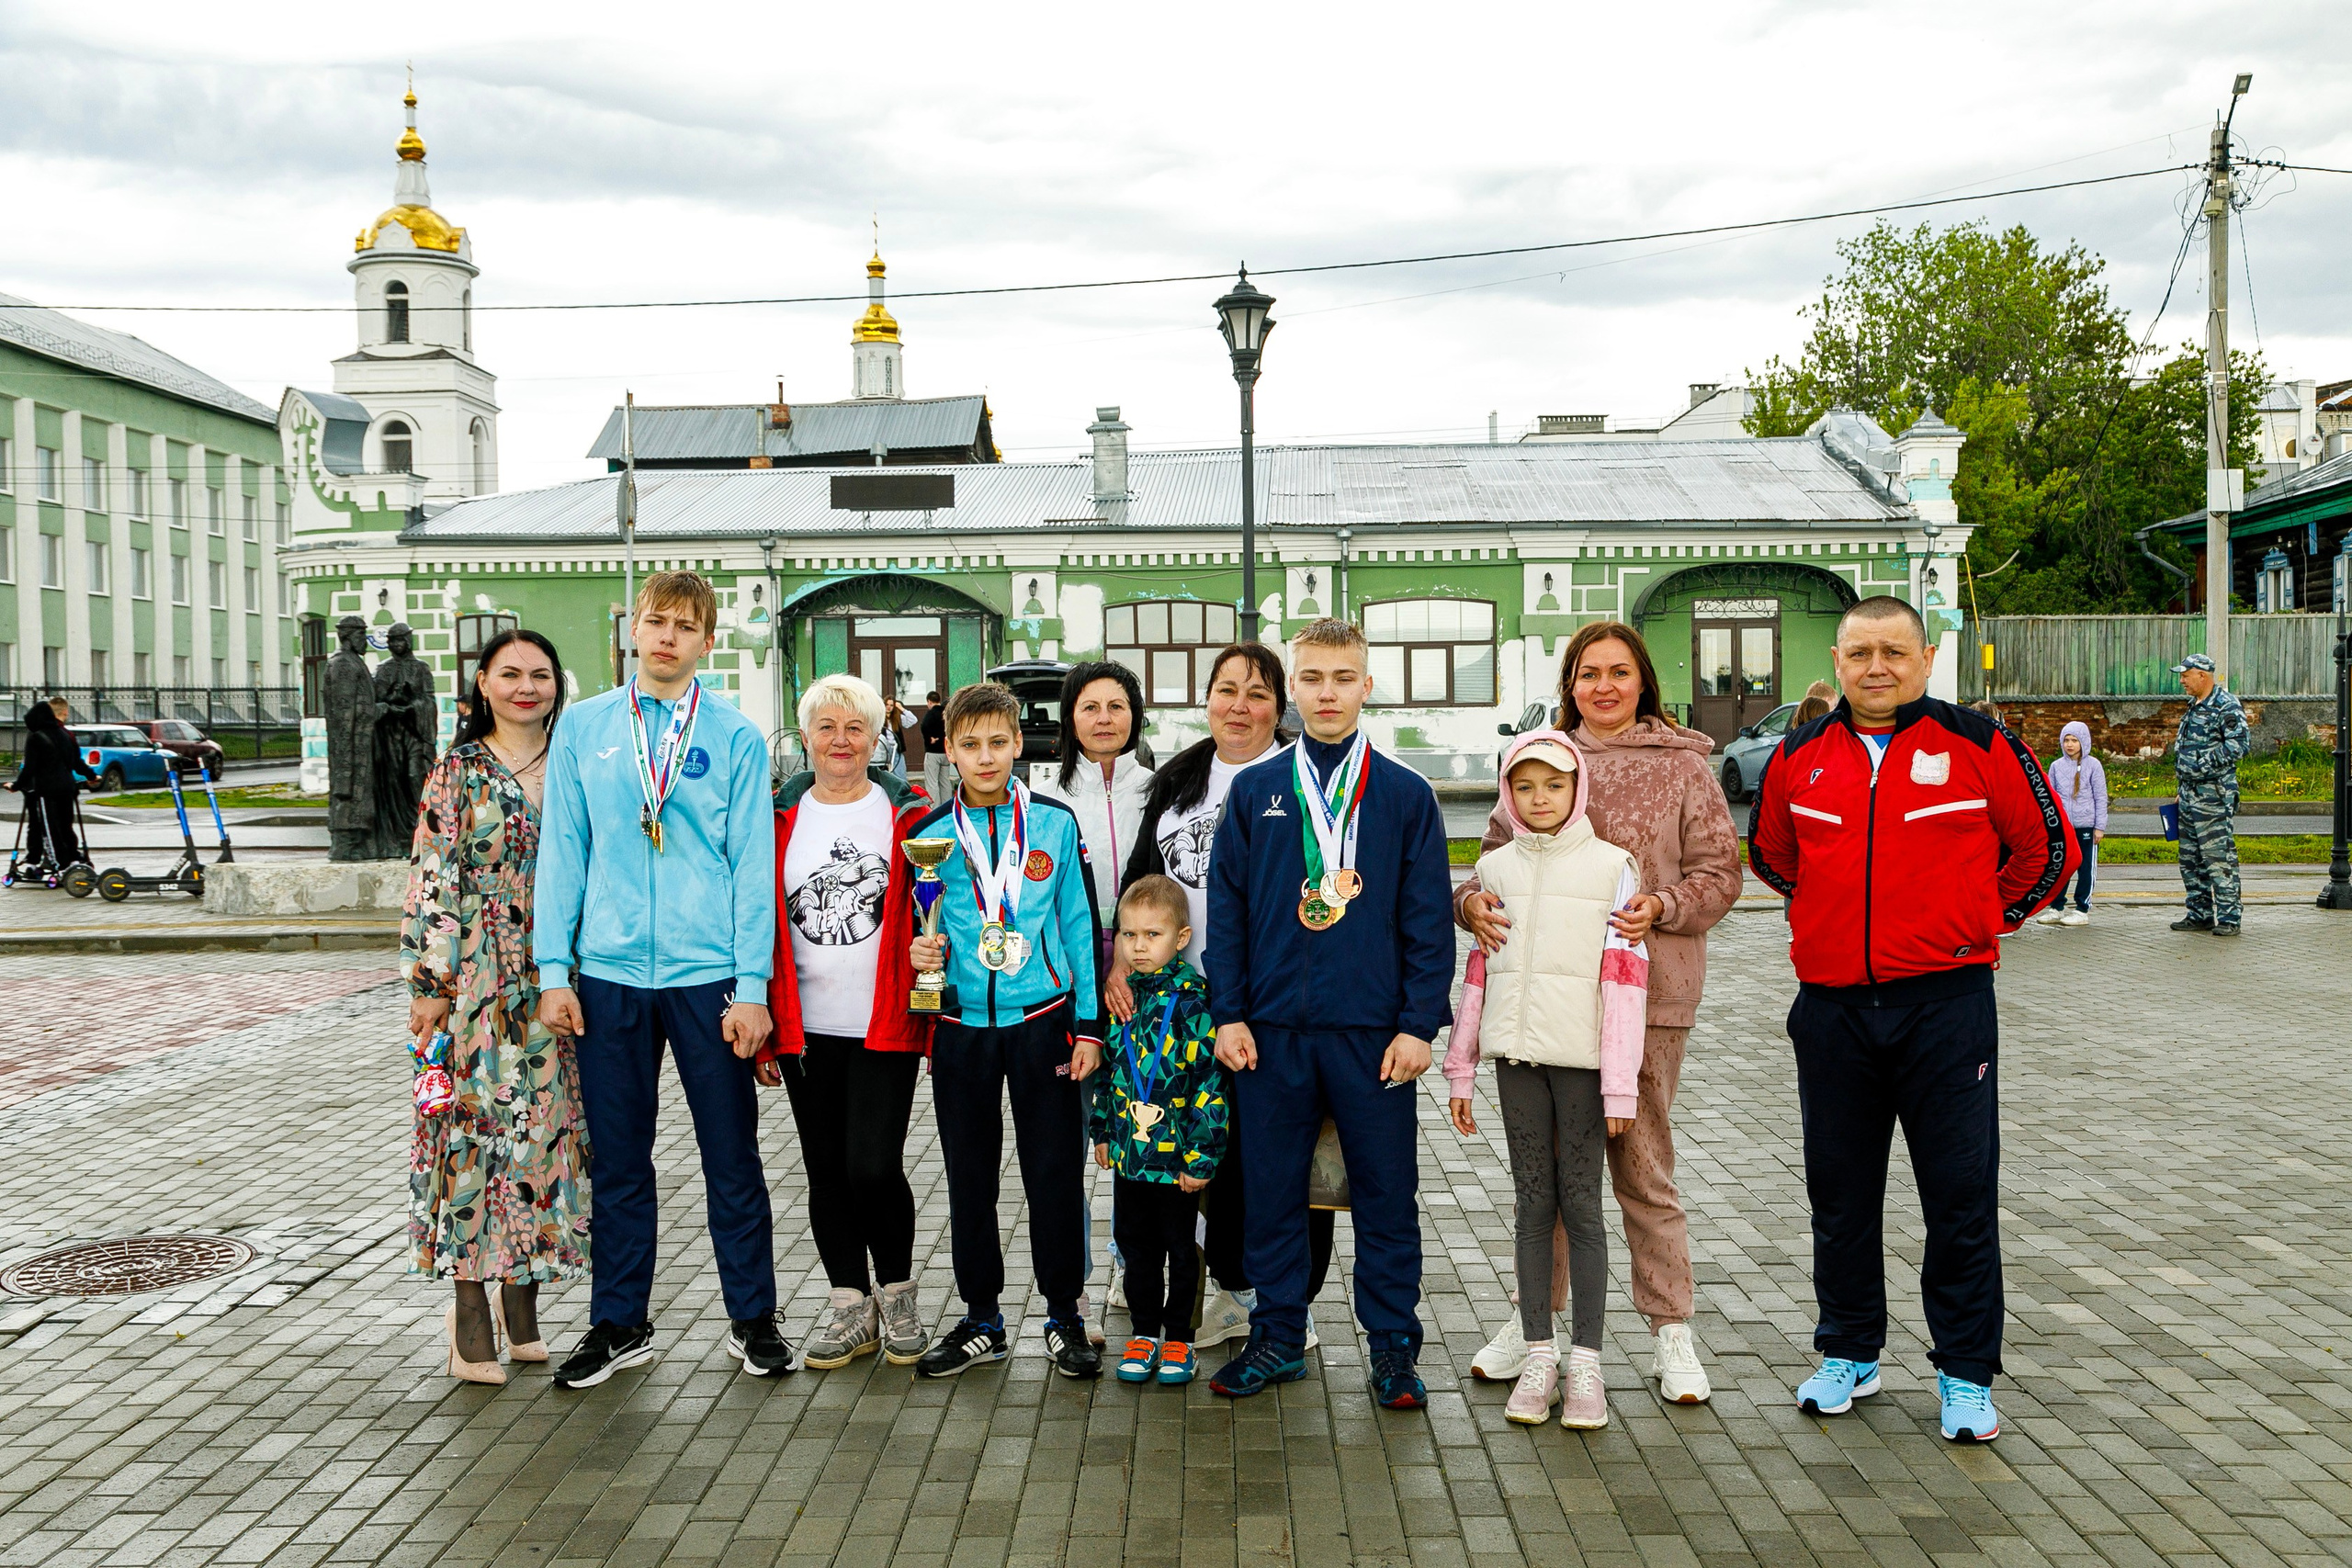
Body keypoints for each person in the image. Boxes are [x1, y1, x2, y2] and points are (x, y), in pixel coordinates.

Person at [1748, 594, 2075, 1444]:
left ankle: (1966, 1373)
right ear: (1838, 658)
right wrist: (1835, 925)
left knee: (1959, 1196)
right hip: (1833, 1013)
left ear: (1925, 659)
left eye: (1895, 651)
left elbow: (2047, 850)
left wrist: (1976, 922)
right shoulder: (1800, 754)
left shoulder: (1980, 743)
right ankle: (1850, 1350)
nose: (1877, 668)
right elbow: (1774, 854)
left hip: (1946, 1010)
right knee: (1841, 1196)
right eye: (1860, 654)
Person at [1457, 620, 1741, 1404]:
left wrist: (1665, 902)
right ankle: (1536, 1324)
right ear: (1570, 683)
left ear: (1643, 680)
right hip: (1543, 1005)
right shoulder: (1542, 756)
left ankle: (1670, 1329)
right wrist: (1470, 903)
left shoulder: (1684, 767)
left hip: (1644, 1003)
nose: (1604, 686)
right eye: (1589, 673)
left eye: (1619, 672)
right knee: (1548, 1177)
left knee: (1641, 1167)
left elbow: (1722, 872)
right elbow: (1487, 863)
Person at [533, 570, 787, 1388]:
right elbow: (564, 853)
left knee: (731, 1156)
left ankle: (753, 1319)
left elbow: (752, 866)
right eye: (655, 621)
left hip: (708, 974)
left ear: (707, 640)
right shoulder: (584, 728)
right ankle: (619, 1321)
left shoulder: (737, 737)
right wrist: (553, 968)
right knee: (619, 1159)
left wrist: (754, 986)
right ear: (632, 630)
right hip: (607, 974)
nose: (668, 636)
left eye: (685, 624)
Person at [1204, 618, 1453, 1410]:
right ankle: (1278, 1335)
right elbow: (1228, 913)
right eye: (1312, 677)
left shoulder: (1407, 794)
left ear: (1366, 685)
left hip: (1374, 1037)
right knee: (1272, 1192)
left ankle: (1392, 1348)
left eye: (1342, 677)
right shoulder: (1255, 790)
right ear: (1293, 691)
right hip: (1271, 1035)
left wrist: (1420, 1023)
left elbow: (1426, 919)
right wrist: (1230, 1013)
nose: (1327, 692)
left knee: (1385, 1193)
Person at [1114, 642, 1335, 1352]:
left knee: (1265, 1152)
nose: (1240, 705)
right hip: (1178, 1007)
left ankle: (1266, 1292)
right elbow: (1139, 883)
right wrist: (1121, 964)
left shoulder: (1301, 784)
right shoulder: (1178, 779)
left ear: (1282, 706)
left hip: (1266, 1003)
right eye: (1226, 689)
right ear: (1206, 699)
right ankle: (1193, 1277)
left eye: (1259, 692)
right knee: (1188, 1149)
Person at [1445, 732, 1648, 1429]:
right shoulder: (1492, 870)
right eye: (1525, 787)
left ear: (1577, 789)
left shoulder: (1613, 866)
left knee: (1582, 1207)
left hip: (1585, 1067)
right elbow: (1478, 973)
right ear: (1509, 793)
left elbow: (1627, 981)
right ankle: (1539, 1353)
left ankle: (1586, 1362)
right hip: (1518, 1062)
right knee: (1533, 1203)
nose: (1540, 799)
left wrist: (1620, 1086)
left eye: (1554, 786)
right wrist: (1461, 1065)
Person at [905, 682, 1106, 1379]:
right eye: (970, 744)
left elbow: (1080, 927)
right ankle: (983, 1317)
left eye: (998, 742)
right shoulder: (928, 835)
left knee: (1052, 1170)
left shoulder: (1054, 822)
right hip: (962, 1026)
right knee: (969, 1175)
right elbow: (919, 932)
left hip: (1043, 1020)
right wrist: (919, 954)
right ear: (949, 748)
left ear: (1020, 744)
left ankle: (1064, 1313)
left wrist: (1088, 1027)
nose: (985, 756)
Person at [402, 628, 586, 1385]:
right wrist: (429, 988)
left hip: (558, 976)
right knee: (473, 1139)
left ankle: (524, 1300)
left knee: (543, 1136)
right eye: (509, 673)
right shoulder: (455, 773)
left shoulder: (573, 763)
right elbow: (431, 881)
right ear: (481, 683)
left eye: (540, 673)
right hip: (478, 977)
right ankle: (468, 1313)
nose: (526, 686)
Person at [761, 674, 935, 1370]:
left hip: (884, 1020)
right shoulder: (776, 816)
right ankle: (846, 1303)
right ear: (806, 736)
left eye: (855, 726)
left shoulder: (909, 814)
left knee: (873, 1163)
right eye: (826, 726)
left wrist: (935, 945)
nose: (840, 739)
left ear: (875, 738)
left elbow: (939, 903)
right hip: (806, 1024)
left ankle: (896, 1292)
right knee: (825, 1166)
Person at [1089, 874, 1226, 1387]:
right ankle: (1144, 1332)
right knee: (1134, 1244)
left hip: (1177, 1164)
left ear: (1181, 939)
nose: (1139, 946)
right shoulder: (1121, 1000)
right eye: (1129, 935)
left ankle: (1179, 1339)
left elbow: (1211, 1087)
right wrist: (1103, 1131)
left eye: (1153, 935)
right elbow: (1110, 1071)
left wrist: (1201, 1159)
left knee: (1179, 1249)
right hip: (1130, 1156)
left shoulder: (1195, 1003)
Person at [2169, 653, 2251, 937]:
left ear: (2202, 676)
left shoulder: (2225, 705)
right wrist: (2183, 786)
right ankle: (2200, 913)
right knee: (2190, 858)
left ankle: (2229, 918)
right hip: (2189, 794)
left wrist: (2200, 765)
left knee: (2218, 857)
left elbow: (2238, 746)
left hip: (2213, 795)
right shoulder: (2194, 706)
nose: (2182, 681)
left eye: (2185, 675)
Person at [10, 701, 96, 870]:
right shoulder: (66, 734)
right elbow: (75, 761)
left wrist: (15, 786)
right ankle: (73, 858)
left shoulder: (36, 737)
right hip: (67, 787)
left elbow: (29, 768)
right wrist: (91, 775)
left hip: (45, 789)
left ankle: (56, 863)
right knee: (65, 825)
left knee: (47, 827)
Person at [2038, 721, 2107, 928]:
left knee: (2085, 867)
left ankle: (2081, 909)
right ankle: (2056, 908)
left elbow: (2101, 796)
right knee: (2060, 867)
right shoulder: (2057, 767)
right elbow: (2050, 796)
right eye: (2066, 740)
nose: (2070, 745)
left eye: (2074, 740)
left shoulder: (2094, 765)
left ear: (2083, 742)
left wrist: (2099, 827)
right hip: (2063, 827)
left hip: (2086, 826)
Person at [920, 691, 952, 805]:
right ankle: (947, 806)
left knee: (932, 782)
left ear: (929, 701)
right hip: (945, 752)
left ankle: (935, 807)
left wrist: (930, 738)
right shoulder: (946, 713)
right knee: (945, 781)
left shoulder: (931, 713)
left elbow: (923, 726)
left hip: (933, 753)